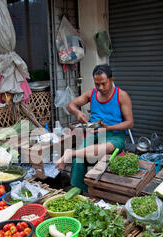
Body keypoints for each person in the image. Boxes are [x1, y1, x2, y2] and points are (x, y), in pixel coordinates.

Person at [55, 64, 134, 192]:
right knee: (81, 155)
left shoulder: (121, 95)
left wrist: (108, 128)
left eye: (104, 84)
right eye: (97, 84)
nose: (100, 88)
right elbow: (71, 105)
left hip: (115, 134)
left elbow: (130, 123)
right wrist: (78, 113)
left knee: (106, 148)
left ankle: (71, 153)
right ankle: (79, 189)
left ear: (111, 80)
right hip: (95, 132)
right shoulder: (91, 94)